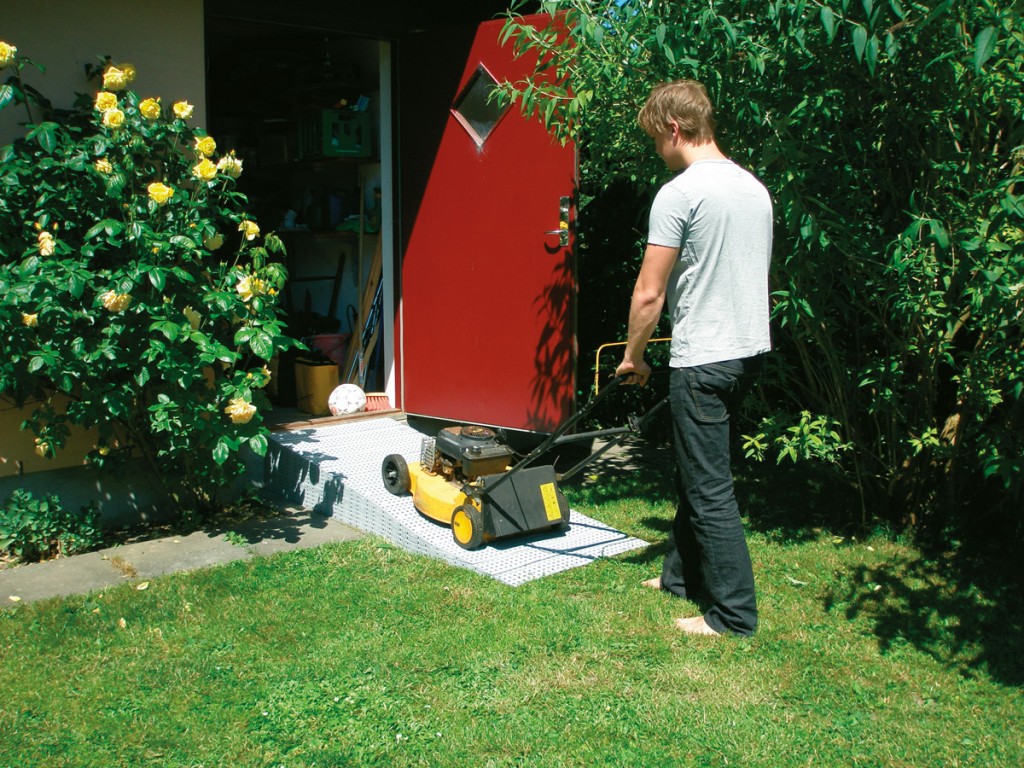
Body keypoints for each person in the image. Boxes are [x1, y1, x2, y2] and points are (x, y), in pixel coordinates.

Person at [615, 80, 773, 637]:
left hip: (704, 359)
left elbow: (649, 293)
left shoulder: (680, 192)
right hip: (747, 352)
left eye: (656, 139)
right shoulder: (752, 187)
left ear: (673, 130)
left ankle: (732, 615)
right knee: (696, 472)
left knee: (709, 487)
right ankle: (679, 577)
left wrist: (633, 356)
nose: (657, 149)